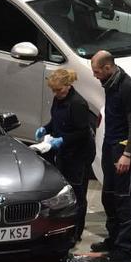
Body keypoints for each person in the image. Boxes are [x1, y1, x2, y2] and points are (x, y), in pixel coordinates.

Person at [89, 50, 131, 262]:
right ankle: (114, 240)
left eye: (96, 71)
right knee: (109, 197)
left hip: (122, 152)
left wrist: (127, 154)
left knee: (125, 200)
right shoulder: (110, 84)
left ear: (108, 68)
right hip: (110, 148)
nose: (94, 76)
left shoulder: (127, 88)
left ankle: (125, 248)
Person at [35, 68, 95, 242]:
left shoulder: (78, 104)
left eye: (59, 90)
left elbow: (82, 132)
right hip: (65, 153)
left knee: (77, 193)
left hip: (79, 154)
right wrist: (46, 128)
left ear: (68, 86)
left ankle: (76, 232)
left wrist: (62, 140)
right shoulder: (58, 99)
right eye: (53, 90)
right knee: (64, 192)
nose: (56, 93)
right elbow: (56, 121)